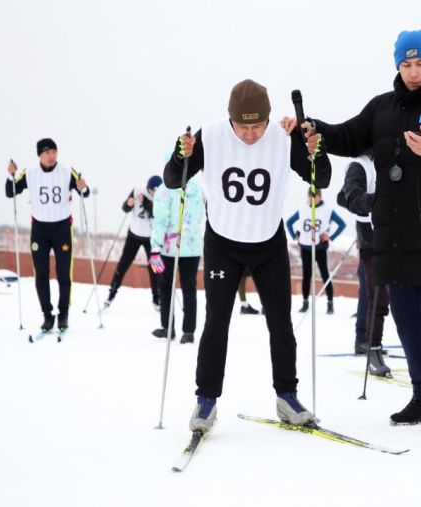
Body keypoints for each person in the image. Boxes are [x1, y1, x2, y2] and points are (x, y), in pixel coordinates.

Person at [304, 29, 421, 434]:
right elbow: (347, 136)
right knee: (406, 320)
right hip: (394, 234)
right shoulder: (382, 108)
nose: (412, 72)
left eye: (419, 63)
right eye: (405, 65)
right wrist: (316, 128)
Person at [164, 79, 331, 433]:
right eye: (243, 126)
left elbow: (323, 177)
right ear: (230, 120)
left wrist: (315, 148)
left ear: (269, 120)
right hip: (223, 243)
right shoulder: (209, 136)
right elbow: (172, 180)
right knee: (217, 323)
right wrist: (182, 154)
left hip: (268, 243)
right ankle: (206, 401)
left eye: (258, 125)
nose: (251, 134)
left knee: (281, 323)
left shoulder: (284, 137)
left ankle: (287, 396)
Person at [5, 138, 90, 332]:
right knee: (41, 274)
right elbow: (11, 192)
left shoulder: (67, 171)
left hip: (62, 228)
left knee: (63, 273)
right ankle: (47, 315)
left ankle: (63, 314)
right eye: (47, 153)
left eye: (54, 152)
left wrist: (82, 186)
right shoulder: (30, 172)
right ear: (39, 155)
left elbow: (84, 193)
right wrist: (11, 175)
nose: (51, 156)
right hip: (40, 229)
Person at [337, 152, 391, 376]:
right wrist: (379, 201)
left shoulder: (388, 159)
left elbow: (343, 196)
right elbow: (348, 197)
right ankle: (368, 342)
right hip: (371, 236)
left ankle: (366, 339)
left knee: (399, 292)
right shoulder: (360, 165)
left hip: (395, 231)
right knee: (374, 293)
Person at [149, 176, 204, 343]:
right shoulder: (197, 188)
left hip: (169, 247)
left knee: (165, 286)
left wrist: (155, 246)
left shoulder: (165, 188)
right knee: (189, 287)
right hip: (192, 245)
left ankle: (167, 327)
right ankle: (188, 331)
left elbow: (160, 220)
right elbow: (199, 216)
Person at [106, 175, 162, 309]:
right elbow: (125, 208)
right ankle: (111, 294)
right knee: (123, 263)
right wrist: (128, 204)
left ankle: (157, 298)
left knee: (155, 267)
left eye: (157, 191)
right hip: (134, 235)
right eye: (153, 191)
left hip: (151, 237)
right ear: (148, 188)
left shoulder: (162, 196)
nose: (155, 194)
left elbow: (157, 213)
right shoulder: (137, 190)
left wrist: (145, 202)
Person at [286, 188, 346, 314]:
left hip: (319, 247)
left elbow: (342, 224)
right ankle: (305, 303)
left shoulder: (327, 210)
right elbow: (289, 222)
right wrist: (295, 236)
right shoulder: (303, 209)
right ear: (308, 196)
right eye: (310, 196)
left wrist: (330, 237)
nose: (312, 199)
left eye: (315, 196)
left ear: (320, 197)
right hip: (305, 247)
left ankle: (330, 304)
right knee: (306, 276)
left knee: (324, 274)